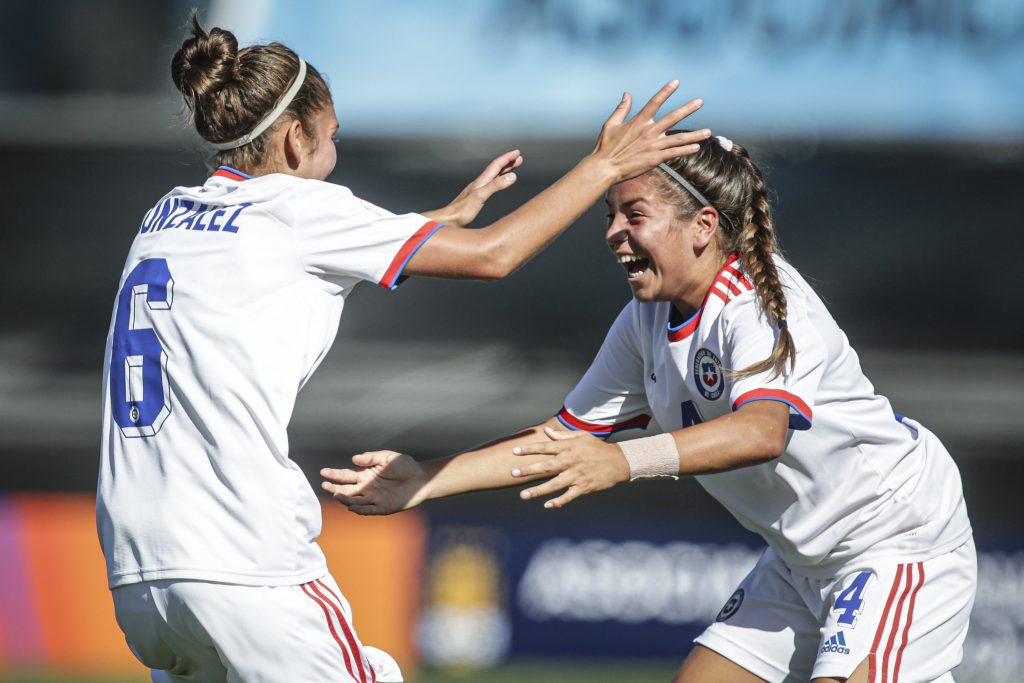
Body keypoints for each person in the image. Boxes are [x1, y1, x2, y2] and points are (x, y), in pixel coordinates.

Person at [97, 10, 709, 683]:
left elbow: (279, 254)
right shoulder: (302, 210)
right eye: (332, 139)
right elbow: (495, 256)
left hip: (137, 573)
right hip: (242, 560)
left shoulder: (163, 217)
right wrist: (604, 166)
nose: (334, 155)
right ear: (297, 139)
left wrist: (436, 220)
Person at [322, 133, 976, 683]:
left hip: (894, 539)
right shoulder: (645, 321)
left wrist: (622, 462)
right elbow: (562, 439)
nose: (612, 233)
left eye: (633, 214)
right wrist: (425, 479)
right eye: (610, 214)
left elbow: (762, 430)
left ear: (702, 227)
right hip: (802, 559)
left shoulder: (758, 305)